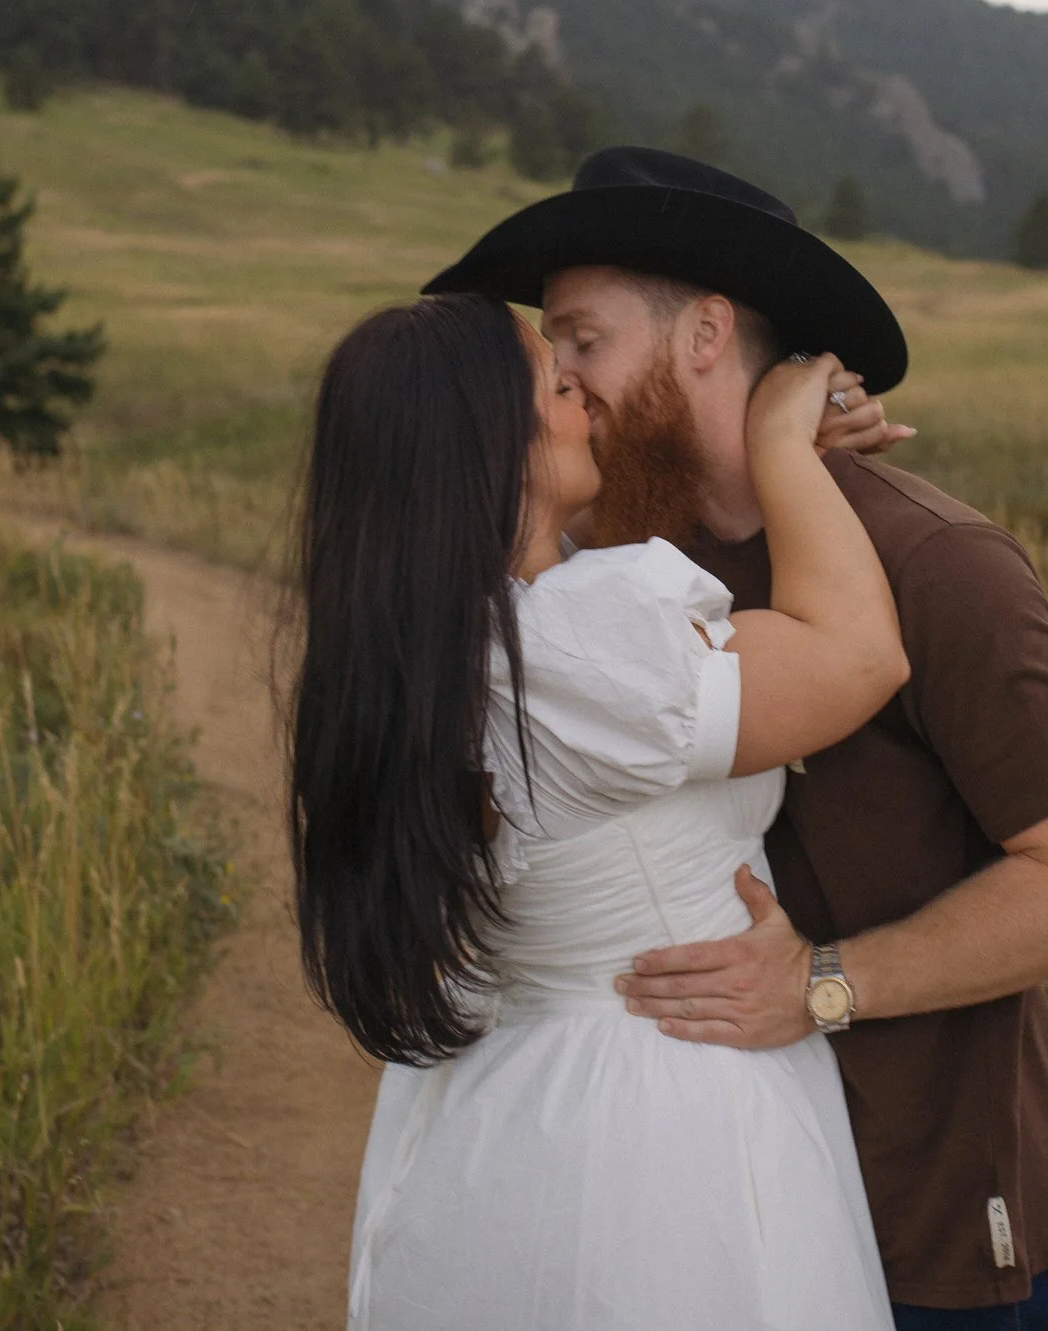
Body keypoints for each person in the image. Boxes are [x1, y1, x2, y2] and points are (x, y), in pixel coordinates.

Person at [424, 148, 1048, 1329]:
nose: (556, 379)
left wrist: (823, 984)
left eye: (580, 340)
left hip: (929, 1221)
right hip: (699, 1218)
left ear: (706, 332)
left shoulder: (934, 563)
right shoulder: (612, 561)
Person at [290, 289, 915, 1328]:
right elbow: (860, 655)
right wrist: (779, 445)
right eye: (554, 377)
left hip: (509, 1101)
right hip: (657, 1118)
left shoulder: (423, 651)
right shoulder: (571, 647)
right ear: (493, 442)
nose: (582, 396)